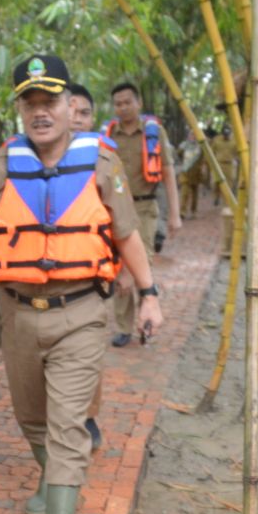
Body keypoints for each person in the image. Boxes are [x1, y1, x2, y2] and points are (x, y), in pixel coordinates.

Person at [0, 55, 163, 514]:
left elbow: (127, 234)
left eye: (51, 101)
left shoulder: (102, 165)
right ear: (19, 108)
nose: (41, 112)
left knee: (67, 425)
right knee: (31, 418)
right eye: (30, 102)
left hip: (82, 310)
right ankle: (49, 478)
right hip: (17, 312)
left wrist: (149, 294)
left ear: (69, 107)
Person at [104, 82, 181, 348]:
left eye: (128, 102)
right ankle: (124, 327)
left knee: (140, 265)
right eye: (118, 103)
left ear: (138, 103)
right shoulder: (109, 134)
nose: (123, 107)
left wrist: (175, 214)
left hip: (145, 208)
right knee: (118, 267)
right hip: (116, 209)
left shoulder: (154, 132)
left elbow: (169, 173)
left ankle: (146, 321)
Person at [68, 82, 105, 452]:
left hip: (92, 280)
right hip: (45, 283)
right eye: (72, 111)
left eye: (85, 113)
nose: (77, 120)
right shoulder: (30, 159)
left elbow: (121, 225)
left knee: (88, 354)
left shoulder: (102, 159)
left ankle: (88, 414)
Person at [176, 129, 206, 218]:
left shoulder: (201, 147)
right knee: (184, 193)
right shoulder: (184, 145)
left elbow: (205, 158)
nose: (192, 137)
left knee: (195, 194)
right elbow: (178, 154)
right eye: (191, 135)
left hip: (196, 173)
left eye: (194, 135)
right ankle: (182, 212)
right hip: (186, 172)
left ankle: (194, 211)